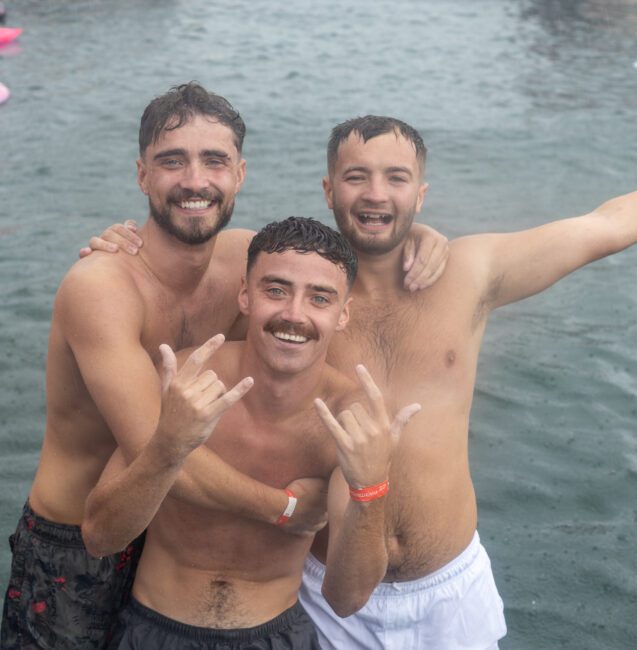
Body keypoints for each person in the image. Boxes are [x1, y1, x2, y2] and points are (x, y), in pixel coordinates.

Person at [91, 114, 637, 649]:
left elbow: (605, 225)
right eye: (357, 177)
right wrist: (126, 246)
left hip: (448, 588)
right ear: (329, 190)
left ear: (421, 194)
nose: (376, 195)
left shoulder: (471, 271)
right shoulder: (299, 289)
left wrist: (428, 237)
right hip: (322, 591)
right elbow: (186, 255)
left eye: (396, 179)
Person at [1, 83, 445, 649]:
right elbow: (158, 449)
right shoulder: (102, 287)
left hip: (167, 536)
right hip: (82, 537)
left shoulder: (244, 257)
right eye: (171, 161)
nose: (194, 181)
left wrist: (417, 237)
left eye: (213, 161)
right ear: (142, 177)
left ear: (239, 174)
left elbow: (323, 260)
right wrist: (287, 507)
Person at [82, 216, 421, 649]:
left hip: (276, 633)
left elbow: (347, 598)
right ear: (245, 295)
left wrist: (369, 488)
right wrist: (167, 448)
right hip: (153, 628)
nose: (294, 314)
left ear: (343, 314)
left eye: (319, 298)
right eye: (275, 290)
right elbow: (99, 538)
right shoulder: (188, 380)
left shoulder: (349, 417)